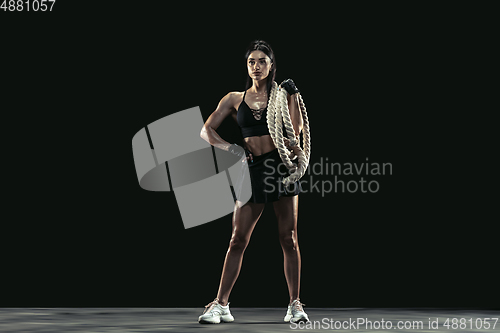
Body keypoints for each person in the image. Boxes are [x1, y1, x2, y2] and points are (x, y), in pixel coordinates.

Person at [199, 40, 309, 324]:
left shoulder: (282, 97)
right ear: (246, 65)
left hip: (281, 166)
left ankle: (295, 305)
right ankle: (220, 304)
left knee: (289, 238)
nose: (256, 66)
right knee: (237, 239)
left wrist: (294, 97)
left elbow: (295, 132)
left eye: (262, 61)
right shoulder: (234, 98)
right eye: (251, 61)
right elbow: (206, 130)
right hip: (252, 168)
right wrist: (232, 149)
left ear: (271, 65)